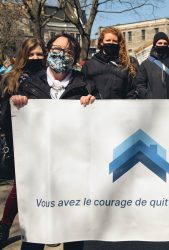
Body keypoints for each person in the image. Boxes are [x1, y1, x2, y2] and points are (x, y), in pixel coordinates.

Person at [10, 33, 97, 250]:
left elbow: (100, 124)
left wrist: (94, 102)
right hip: (38, 167)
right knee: (36, 229)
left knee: (74, 227)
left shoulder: (85, 84)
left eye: (68, 51)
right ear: (49, 51)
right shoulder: (30, 84)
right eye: (57, 48)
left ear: (75, 57)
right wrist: (16, 104)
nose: (62, 54)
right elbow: (10, 124)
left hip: (73, 167)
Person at [0, 38, 46, 246]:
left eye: (39, 54)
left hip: (46, 139)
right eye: (32, 54)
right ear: (23, 55)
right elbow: (4, 112)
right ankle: (4, 226)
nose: (36, 58)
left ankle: (44, 226)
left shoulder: (50, 77)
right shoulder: (11, 79)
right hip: (22, 140)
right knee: (22, 186)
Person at [82, 27, 138, 99]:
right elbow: (84, 87)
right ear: (101, 42)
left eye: (114, 41)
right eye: (108, 40)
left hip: (123, 107)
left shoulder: (129, 62)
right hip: (96, 107)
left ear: (119, 43)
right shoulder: (89, 65)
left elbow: (134, 88)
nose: (111, 43)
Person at [133, 32, 169, 99]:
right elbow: (140, 84)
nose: (162, 45)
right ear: (155, 44)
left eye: (165, 43)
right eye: (160, 43)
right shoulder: (146, 64)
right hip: (155, 105)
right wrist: (149, 97)